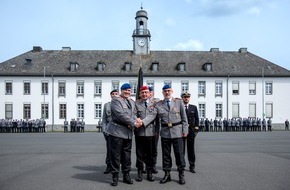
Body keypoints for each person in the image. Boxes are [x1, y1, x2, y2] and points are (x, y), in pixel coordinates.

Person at [107, 83, 142, 186]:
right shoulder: (116, 101)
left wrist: (137, 119)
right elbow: (121, 115)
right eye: (125, 90)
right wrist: (134, 123)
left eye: (129, 90)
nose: (127, 92)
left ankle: (126, 175)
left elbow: (134, 113)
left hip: (128, 133)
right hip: (117, 132)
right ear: (121, 91)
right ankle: (115, 176)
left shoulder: (131, 101)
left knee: (127, 155)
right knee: (116, 155)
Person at [154, 84, 188, 185]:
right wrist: (156, 132)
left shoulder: (178, 102)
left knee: (179, 155)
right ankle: (167, 174)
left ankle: (181, 174)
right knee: (166, 155)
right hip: (165, 133)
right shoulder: (158, 105)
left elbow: (184, 118)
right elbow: (156, 120)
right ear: (162, 93)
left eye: (168, 90)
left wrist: (185, 130)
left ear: (172, 91)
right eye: (165, 91)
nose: (167, 92)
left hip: (177, 132)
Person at [134, 86, 158, 182]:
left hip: (150, 132)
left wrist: (142, 122)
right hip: (139, 132)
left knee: (150, 154)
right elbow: (133, 113)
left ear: (149, 94)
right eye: (142, 92)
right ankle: (140, 172)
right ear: (140, 94)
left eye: (146, 92)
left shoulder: (155, 104)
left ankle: (149, 172)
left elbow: (153, 115)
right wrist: (136, 119)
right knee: (139, 154)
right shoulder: (136, 104)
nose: (144, 94)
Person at [101, 89, 119, 174]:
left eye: (116, 93)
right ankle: (109, 166)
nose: (114, 95)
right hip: (109, 131)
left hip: (119, 131)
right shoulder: (106, 105)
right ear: (110, 96)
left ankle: (117, 166)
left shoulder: (121, 104)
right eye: (113, 94)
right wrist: (104, 131)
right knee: (109, 150)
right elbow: (104, 119)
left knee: (118, 151)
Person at [181, 91, 199, 173]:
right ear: (182, 98)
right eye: (185, 97)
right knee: (182, 149)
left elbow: (197, 119)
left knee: (191, 149)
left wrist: (196, 130)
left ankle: (192, 166)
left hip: (191, 131)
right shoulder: (179, 107)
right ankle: (182, 165)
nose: (186, 98)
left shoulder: (193, 107)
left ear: (189, 98)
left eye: (188, 97)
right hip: (181, 131)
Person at [148, 86, 160, 174]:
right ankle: (146, 165)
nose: (150, 94)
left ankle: (153, 165)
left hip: (155, 128)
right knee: (145, 149)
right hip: (145, 128)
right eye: (149, 92)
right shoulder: (143, 102)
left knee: (154, 149)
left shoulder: (157, 101)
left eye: (151, 92)